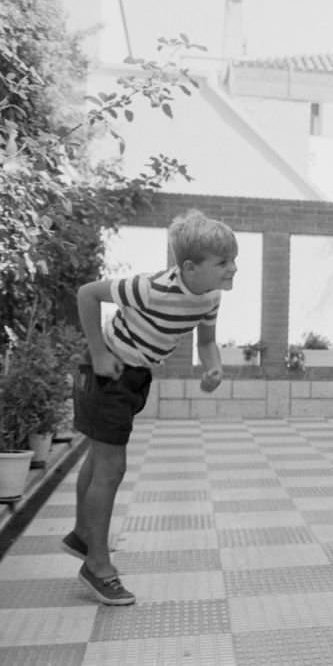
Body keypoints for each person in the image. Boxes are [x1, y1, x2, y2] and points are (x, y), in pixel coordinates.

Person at [65, 209, 237, 605]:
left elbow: (206, 342)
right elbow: (87, 293)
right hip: (107, 370)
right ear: (189, 267)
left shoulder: (210, 296)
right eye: (223, 262)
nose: (233, 269)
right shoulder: (150, 288)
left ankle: (82, 535)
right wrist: (99, 353)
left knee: (98, 457)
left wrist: (213, 368)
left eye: (233, 259)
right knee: (111, 466)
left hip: (135, 374)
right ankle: (97, 566)